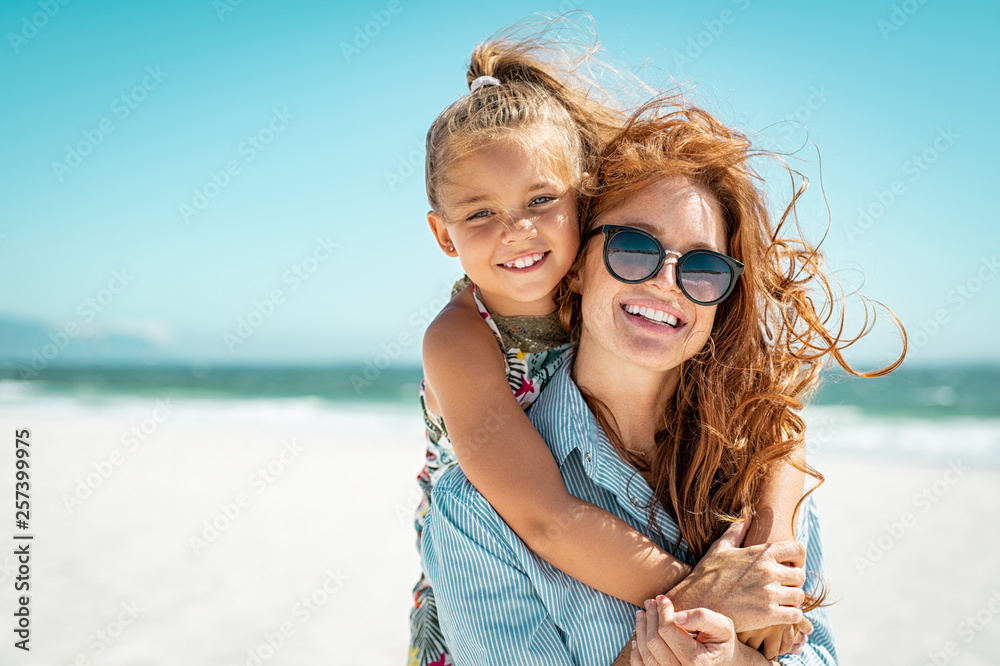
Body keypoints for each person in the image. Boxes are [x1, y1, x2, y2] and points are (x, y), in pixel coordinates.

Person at [422, 94, 903, 664]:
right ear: (580, 264)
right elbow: (544, 516)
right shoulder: (476, 505)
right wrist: (707, 601)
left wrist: (770, 545)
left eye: (703, 267)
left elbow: (786, 426)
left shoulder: (758, 466)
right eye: (633, 247)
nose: (666, 282)